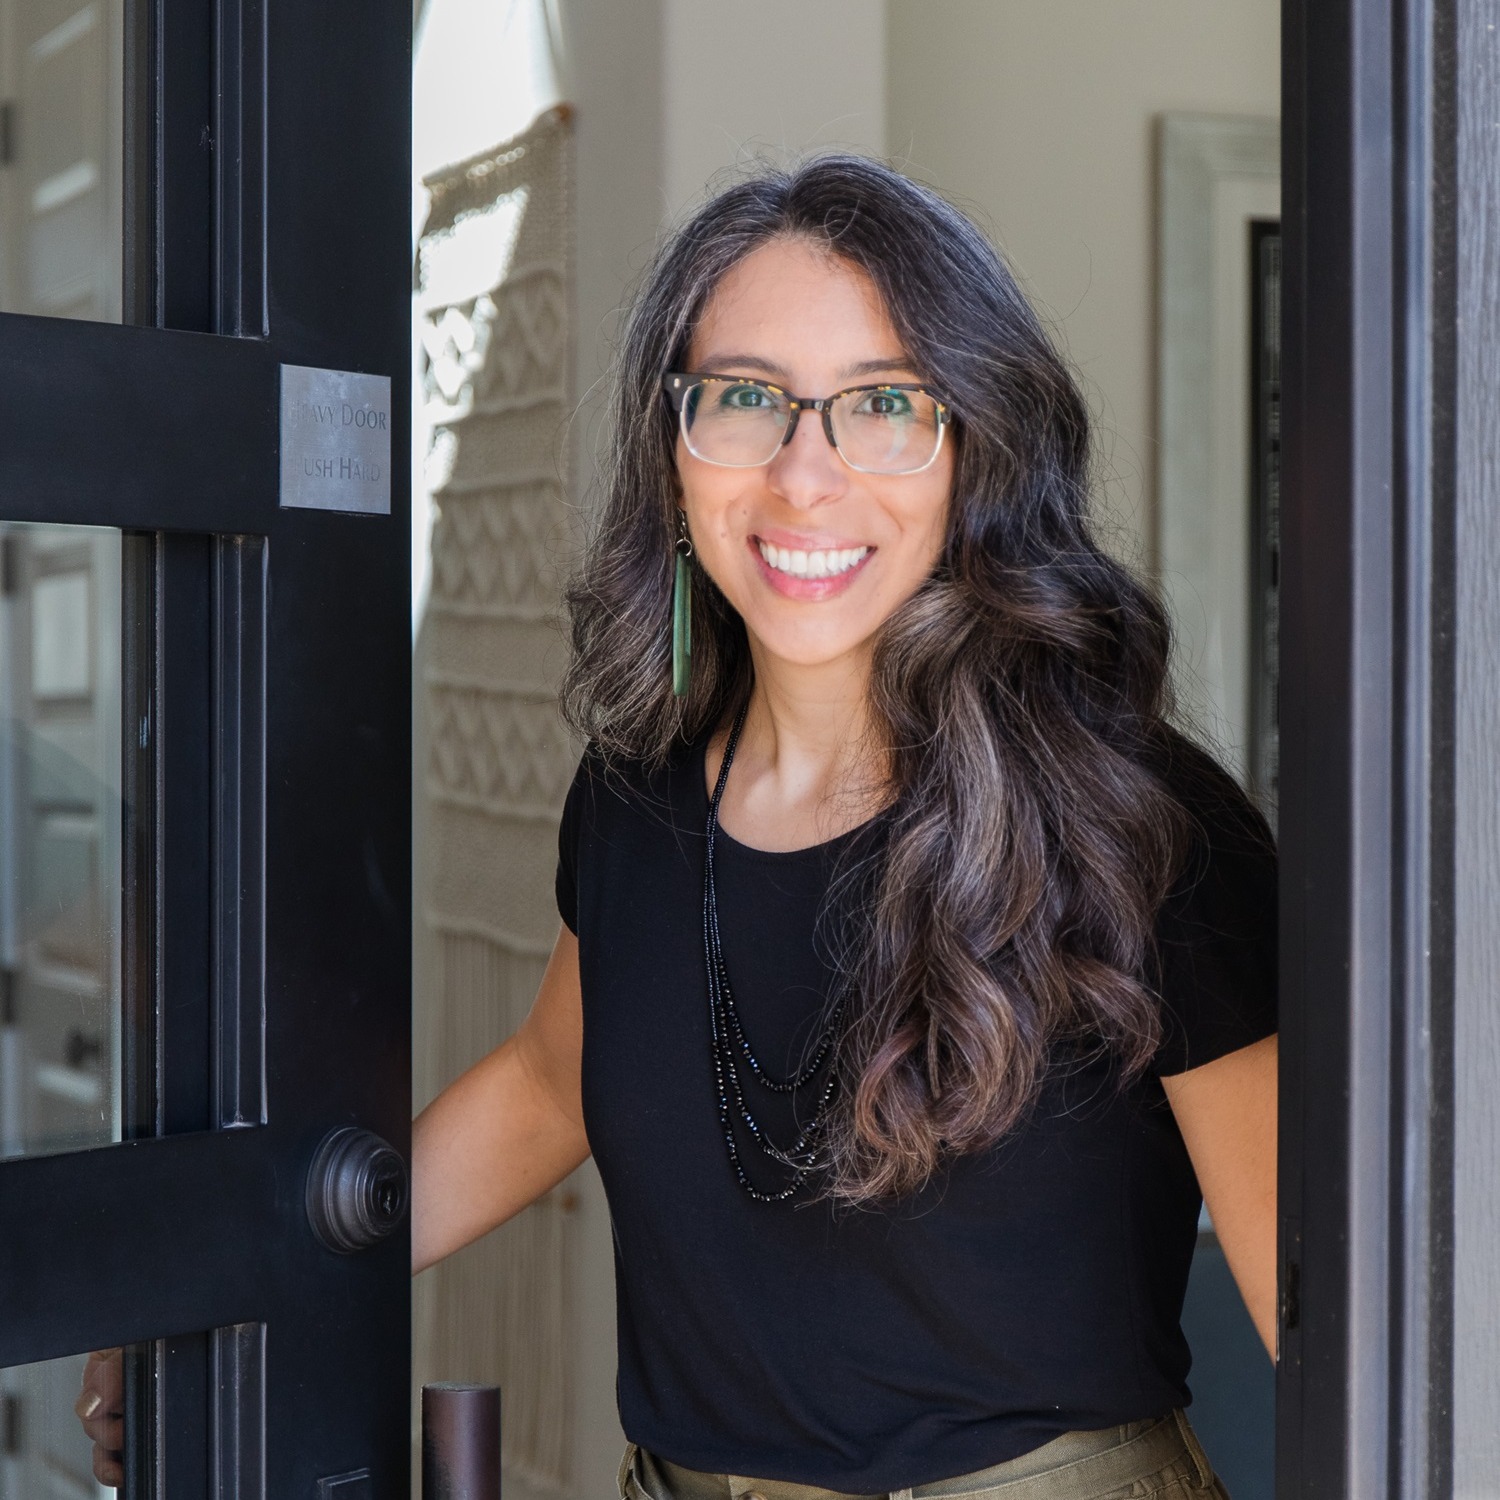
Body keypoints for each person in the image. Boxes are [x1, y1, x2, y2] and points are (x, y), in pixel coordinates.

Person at [82, 155, 1276, 1498]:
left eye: (886, 404)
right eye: (746, 399)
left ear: (976, 449)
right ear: (674, 444)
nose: (805, 476)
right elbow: (551, 1084)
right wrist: (233, 1287)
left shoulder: (1144, 830)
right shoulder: (636, 799)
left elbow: (1337, 1319)